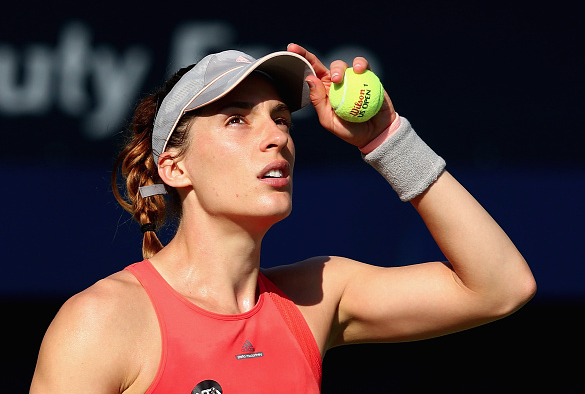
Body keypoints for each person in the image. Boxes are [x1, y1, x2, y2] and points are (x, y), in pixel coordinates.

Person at [30, 43, 536, 394]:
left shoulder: (317, 296)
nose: (276, 137)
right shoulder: (100, 323)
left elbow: (500, 287)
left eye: (279, 118)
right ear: (174, 166)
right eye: (236, 119)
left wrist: (387, 142)